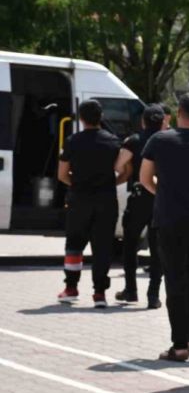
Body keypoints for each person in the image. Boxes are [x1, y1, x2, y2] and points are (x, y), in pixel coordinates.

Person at [140, 92, 189, 362]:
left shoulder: (159, 140)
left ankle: (179, 345)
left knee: (174, 279)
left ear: (177, 113)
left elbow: (145, 178)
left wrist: (162, 193)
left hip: (168, 219)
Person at [57, 100, 123, 308]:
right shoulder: (113, 141)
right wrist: (112, 183)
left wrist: (77, 184)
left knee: (74, 245)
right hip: (106, 201)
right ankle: (100, 293)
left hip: (79, 200)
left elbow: (62, 174)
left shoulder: (72, 141)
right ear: (101, 117)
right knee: (102, 247)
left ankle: (71, 288)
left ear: (81, 118)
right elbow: (125, 170)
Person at [113, 104, 167, 309]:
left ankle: (131, 290)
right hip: (160, 198)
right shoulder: (167, 141)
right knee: (157, 248)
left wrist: (129, 168)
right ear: (162, 122)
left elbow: (118, 165)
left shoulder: (134, 141)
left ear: (143, 122)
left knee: (130, 244)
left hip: (138, 197)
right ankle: (153, 295)